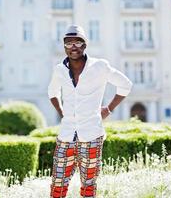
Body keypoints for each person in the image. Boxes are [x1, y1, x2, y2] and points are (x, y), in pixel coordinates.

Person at [48, 25, 133, 198]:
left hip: (92, 134)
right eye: (69, 43)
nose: (73, 46)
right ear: (64, 46)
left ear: (85, 45)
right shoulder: (59, 70)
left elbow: (125, 85)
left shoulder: (99, 66)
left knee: (89, 186)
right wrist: (62, 112)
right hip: (66, 136)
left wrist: (108, 109)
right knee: (57, 183)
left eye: (78, 42)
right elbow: (52, 92)